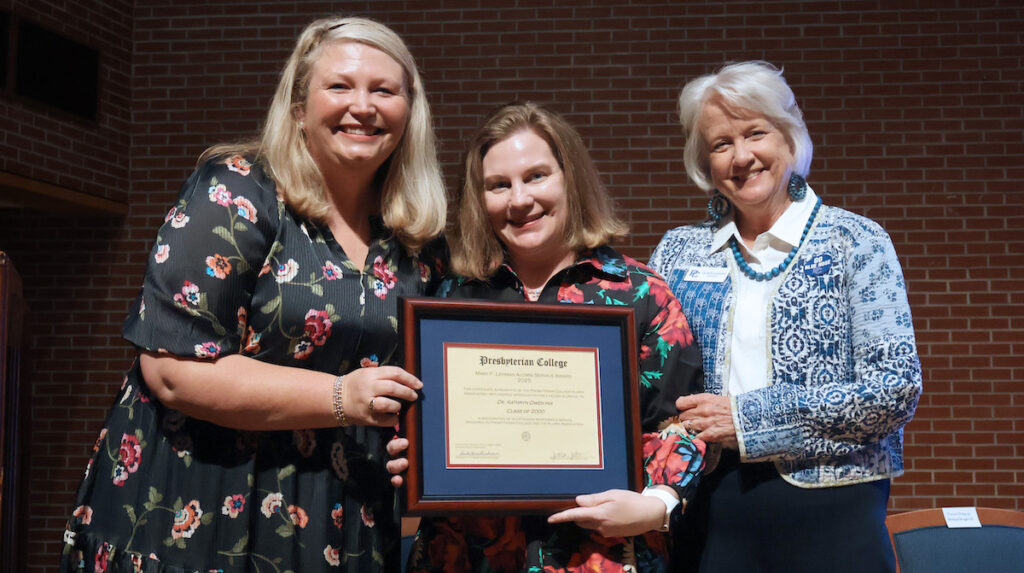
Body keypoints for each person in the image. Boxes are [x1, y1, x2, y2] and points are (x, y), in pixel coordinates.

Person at [60, 16, 446, 572]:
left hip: (346, 520)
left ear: (409, 114)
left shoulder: (417, 239)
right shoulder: (236, 190)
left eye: (384, 91)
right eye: (340, 86)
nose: (363, 106)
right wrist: (342, 397)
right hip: (202, 504)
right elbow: (172, 372)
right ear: (298, 108)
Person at [386, 102, 706, 572]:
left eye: (536, 176)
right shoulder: (448, 297)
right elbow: (419, 415)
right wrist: (409, 447)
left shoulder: (642, 294)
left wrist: (658, 503)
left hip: (602, 554)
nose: (518, 199)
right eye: (498, 185)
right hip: (465, 558)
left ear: (569, 178)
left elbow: (683, 421)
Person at [648, 61, 923, 572]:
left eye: (756, 132)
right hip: (708, 508)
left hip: (833, 512)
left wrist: (749, 419)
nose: (743, 155)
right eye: (721, 143)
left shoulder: (856, 242)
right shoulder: (677, 252)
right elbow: (650, 381)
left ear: (791, 139)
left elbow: (895, 388)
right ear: (704, 162)